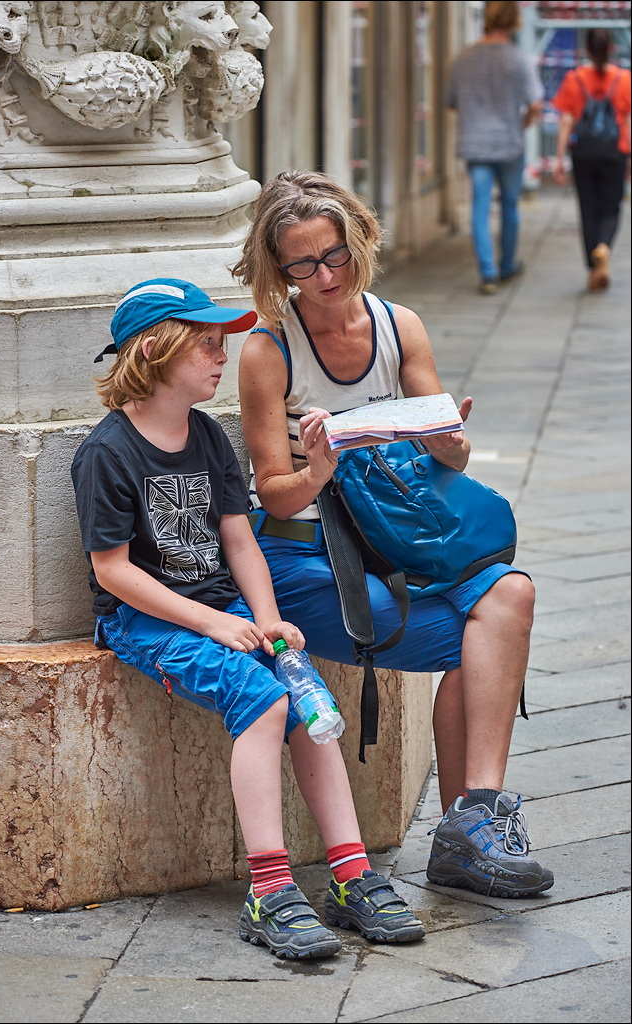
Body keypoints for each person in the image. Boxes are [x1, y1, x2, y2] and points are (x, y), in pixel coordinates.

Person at [71, 277, 426, 960]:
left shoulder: (204, 435)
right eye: (205, 344)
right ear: (153, 350)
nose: (219, 356)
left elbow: (239, 538)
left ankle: (350, 875)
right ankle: (269, 890)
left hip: (223, 608)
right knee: (261, 700)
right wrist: (215, 627)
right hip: (149, 621)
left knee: (303, 698)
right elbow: (113, 571)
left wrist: (266, 617)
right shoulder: (106, 453)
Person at [233, 170, 554, 899]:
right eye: (302, 264)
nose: (324, 277)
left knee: (509, 598)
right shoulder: (267, 351)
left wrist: (450, 444)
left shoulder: (397, 324)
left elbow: (448, 448)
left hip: (402, 539)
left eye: (334, 255)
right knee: (481, 645)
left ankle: (471, 822)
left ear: (358, 242)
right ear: (276, 269)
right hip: (307, 556)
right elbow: (273, 489)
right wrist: (316, 469)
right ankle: (467, 838)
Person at [446, 0, 543, 293]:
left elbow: (451, 101)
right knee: (510, 205)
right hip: (510, 143)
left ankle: (487, 273)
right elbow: (536, 102)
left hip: (475, 144)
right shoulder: (518, 58)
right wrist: (522, 122)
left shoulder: (463, 58)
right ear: (514, 21)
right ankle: (507, 266)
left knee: (480, 206)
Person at [552, 28, 631, 292]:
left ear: (586, 49)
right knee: (611, 207)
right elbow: (629, 123)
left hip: (584, 152)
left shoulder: (574, 79)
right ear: (611, 49)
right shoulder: (624, 79)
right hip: (614, 152)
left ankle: (592, 267)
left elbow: (565, 121)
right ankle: (603, 247)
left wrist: (560, 159)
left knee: (588, 208)